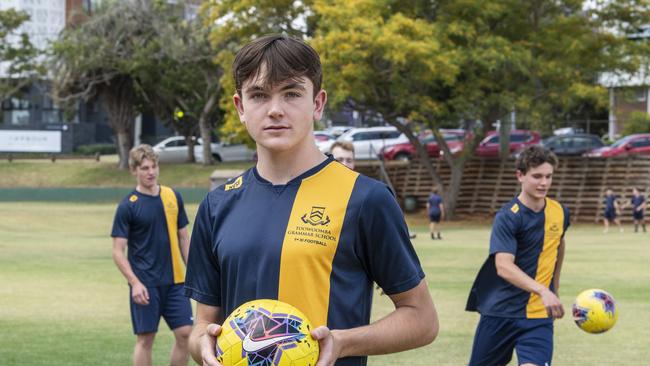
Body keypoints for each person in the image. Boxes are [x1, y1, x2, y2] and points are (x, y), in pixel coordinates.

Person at [184, 34, 438, 366]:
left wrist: (343, 342)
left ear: (317, 103)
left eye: (291, 93)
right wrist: (202, 345)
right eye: (259, 95)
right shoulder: (217, 205)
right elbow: (202, 325)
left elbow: (422, 319)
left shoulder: (365, 199)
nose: (275, 109)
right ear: (240, 107)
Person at [465, 145, 570, 366]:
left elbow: (558, 246)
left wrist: (553, 290)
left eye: (549, 176)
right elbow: (503, 266)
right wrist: (542, 290)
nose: (544, 183)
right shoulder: (508, 217)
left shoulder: (560, 213)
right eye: (537, 176)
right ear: (520, 175)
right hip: (500, 312)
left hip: (538, 316)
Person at [111, 144, 193, 366]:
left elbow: (184, 238)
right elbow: (118, 251)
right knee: (146, 339)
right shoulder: (128, 206)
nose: (151, 172)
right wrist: (135, 283)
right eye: (145, 168)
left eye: (154, 166)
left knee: (186, 334)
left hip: (176, 281)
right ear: (134, 170)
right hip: (146, 284)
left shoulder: (172, 196)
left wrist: (194, 273)